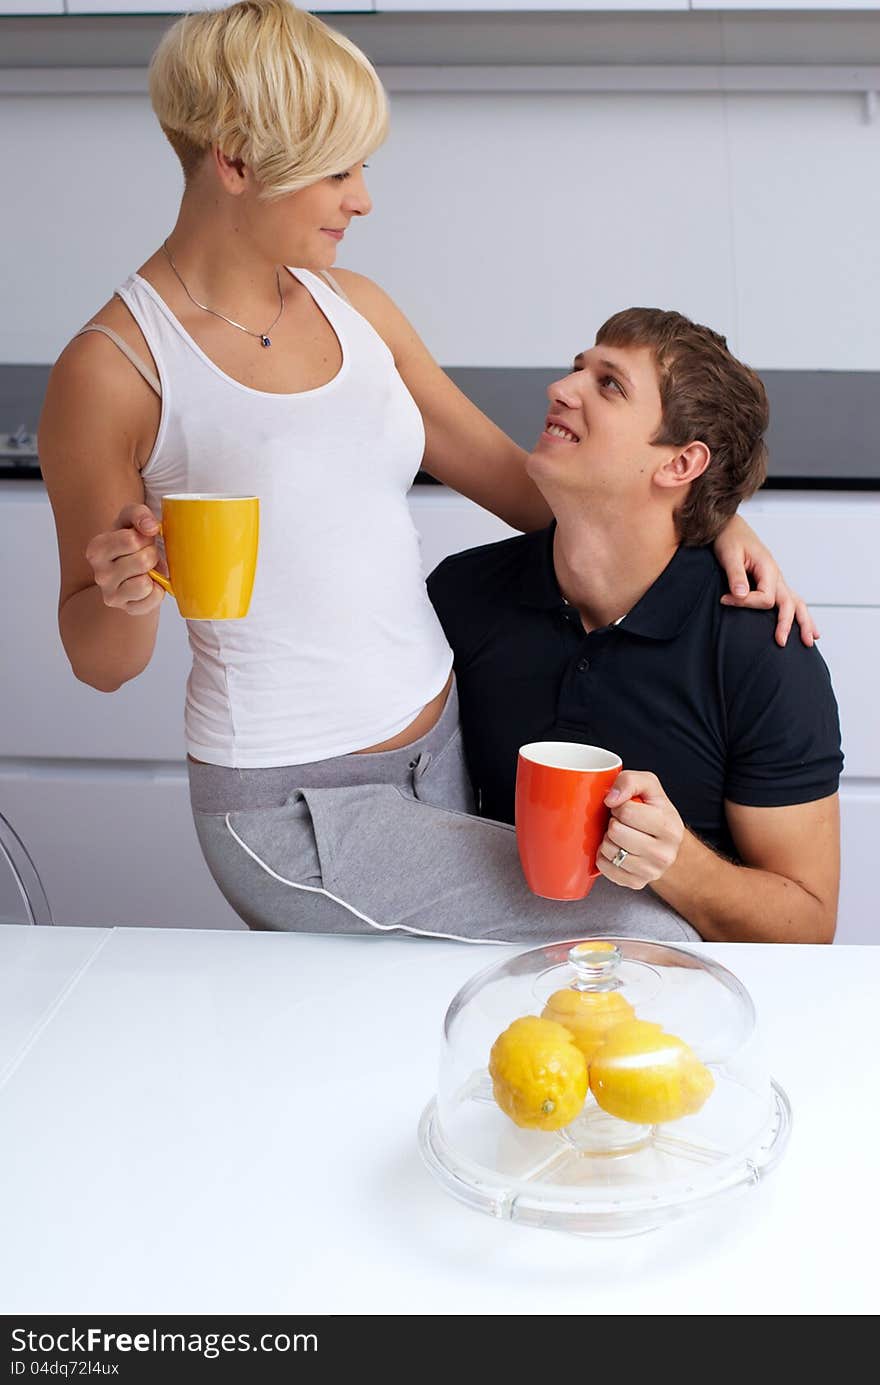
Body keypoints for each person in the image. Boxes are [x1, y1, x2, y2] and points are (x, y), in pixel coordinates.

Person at [40, 0, 815, 944]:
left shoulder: (357, 308)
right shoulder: (115, 369)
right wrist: (125, 596)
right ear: (236, 161)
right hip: (295, 805)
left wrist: (712, 511)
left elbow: (527, 488)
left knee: (438, 1021)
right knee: (649, 936)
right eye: (336, 170)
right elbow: (99, 662)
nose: (361, 197)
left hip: (438, 748)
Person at [428, 309, 843, 943]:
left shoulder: (759, 648)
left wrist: (679, 865)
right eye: (577, 370)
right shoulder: (462, 595)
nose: (560, 390)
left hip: (671, 1009)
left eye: (609, 384)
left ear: (680, 464)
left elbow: (808, 927)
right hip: (474, 971)